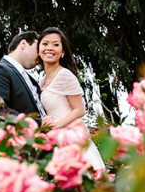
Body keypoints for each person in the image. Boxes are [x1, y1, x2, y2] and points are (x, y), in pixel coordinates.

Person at [38, 27, 105, 171]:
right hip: (56, 140)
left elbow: (79, 110)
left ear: (62, 52)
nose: (49, 48)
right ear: (38, 49)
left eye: (55, 44)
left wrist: (56, 125)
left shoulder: (64, 75)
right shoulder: (42, 79)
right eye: (45, 44)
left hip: (71, 137)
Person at [0, 31, 54, 126]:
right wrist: (37, 123)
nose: (41, 56)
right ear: (23, 44)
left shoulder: (32, 80)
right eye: (38, 49)